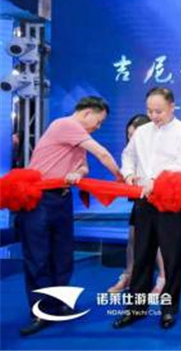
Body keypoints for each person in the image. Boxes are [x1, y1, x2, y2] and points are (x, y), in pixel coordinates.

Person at [18, 96, 123, 336]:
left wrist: (78, 173)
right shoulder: (65, 125)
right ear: (87, 113)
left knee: (62, 256)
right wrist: (121, 177)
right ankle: (40, 311)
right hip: (39, 199)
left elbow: (83, 166)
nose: (98, 126)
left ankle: (58, 303)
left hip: (62, 199)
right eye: (98, 121)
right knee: (38, 258)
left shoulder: (77, 138)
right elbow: (102, 154)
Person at [113, 87, 181, 330]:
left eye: (158, 111)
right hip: (144, 201)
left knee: (171, 258)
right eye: (150, 111)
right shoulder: (142, 131)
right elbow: (128, 156)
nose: (153, 116)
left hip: (171, 201)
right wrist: (129, 174)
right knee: (141, 256)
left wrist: (155, 180)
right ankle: (136, 309)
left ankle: (168, 310)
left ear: (172, 107)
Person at [107, 114, 166, 295]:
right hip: (139, 198)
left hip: (159, 197)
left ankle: (162, 279)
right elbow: (127, 166)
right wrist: (129, 175)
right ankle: (129, 275)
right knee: (133, 237)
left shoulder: (161, 148)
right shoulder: (131, 152)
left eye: (135, 136)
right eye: (129, 136)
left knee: (157, 241)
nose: (132, 140)